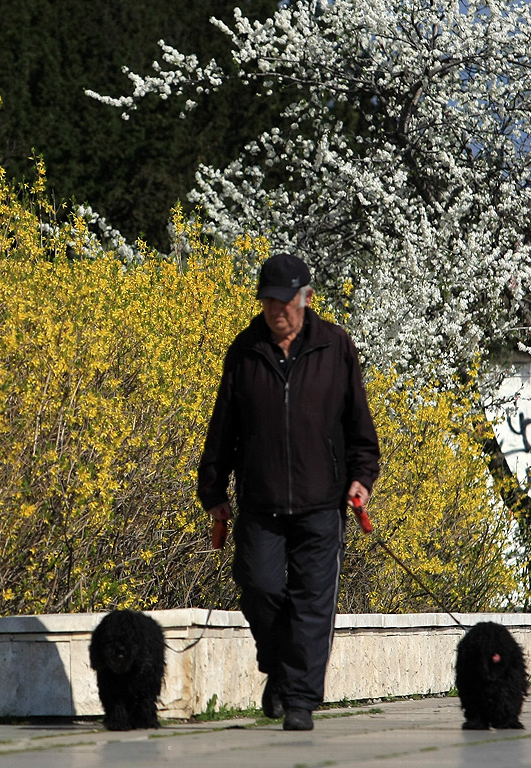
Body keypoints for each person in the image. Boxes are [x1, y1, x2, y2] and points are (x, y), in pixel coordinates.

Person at [197, 251, 380, 731]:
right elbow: (224, 427)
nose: (275, 311)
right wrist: (213, 488)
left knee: (312, 603)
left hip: (323, 502)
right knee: (258, 586)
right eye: (267, 302)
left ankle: (299, 700)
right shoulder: (245, 350)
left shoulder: (335, 347)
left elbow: (359, 424)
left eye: (284, 302)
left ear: (306, 299)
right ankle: (280, 668)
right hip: (260, 501)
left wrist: (362, 476)